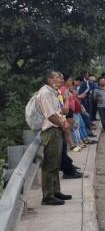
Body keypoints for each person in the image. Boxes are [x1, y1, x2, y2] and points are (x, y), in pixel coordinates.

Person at [36, 70, 73, 205]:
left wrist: (63, 125)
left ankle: (55, 191)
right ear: (50, 80)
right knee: (50, 164)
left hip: (57, 130)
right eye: (58, 77)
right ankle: (47, 196)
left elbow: (59, 111)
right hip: (51, 131)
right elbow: (50, 115)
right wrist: (63, 125)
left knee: (56, 163)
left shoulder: (53, 92)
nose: (61, 80)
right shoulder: (45, 93)